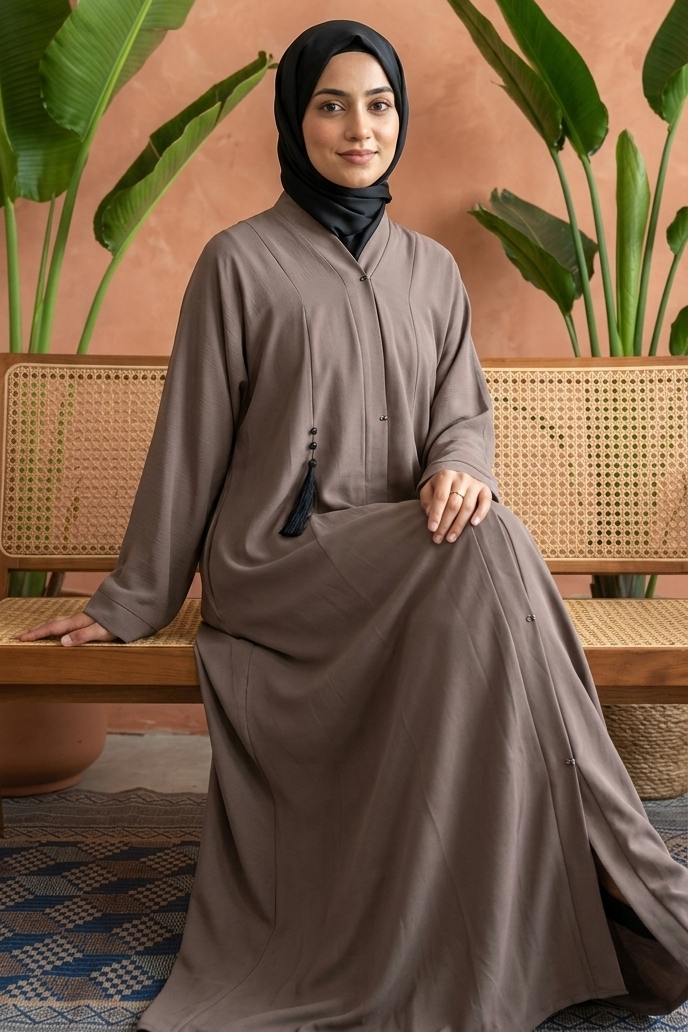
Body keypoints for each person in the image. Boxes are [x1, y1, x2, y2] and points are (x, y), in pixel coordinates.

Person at [21, 20, 688, 1032]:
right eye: (330, 104)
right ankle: (635, 879)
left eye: (377, 104)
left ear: (398, 119)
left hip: (401, 561)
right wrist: (129, 603)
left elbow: (461, 413)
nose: (357, 126)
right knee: (496, 552)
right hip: (278, 564)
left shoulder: (428, 271)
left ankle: (537, 901)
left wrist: (461, 466)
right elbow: (190, 441)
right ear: (294, 119)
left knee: (490, 538)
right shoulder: (237, 263)